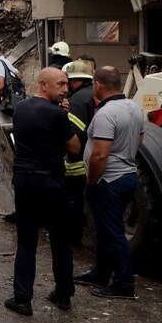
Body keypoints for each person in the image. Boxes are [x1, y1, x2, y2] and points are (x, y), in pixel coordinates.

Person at [4, 67, 80, 316]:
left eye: (66, 84)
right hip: (51, 182)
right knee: (60, 239)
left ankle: (22, 298)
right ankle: (63, 294)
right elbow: (74, 148)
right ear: (44, 85)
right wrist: (64, 119)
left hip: (25, 180)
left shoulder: (22, 108)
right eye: (60, 85)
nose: (65, 89)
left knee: (26, 241)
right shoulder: (57, 115)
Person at [75, 66, 144, 300]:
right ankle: (100, 273)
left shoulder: (106, 114)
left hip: (108, 180)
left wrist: (92, 180)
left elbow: (100, 155)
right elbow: (140, 140)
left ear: (98, 85)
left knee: (113, 232)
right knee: (105, 229)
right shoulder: (134, 107)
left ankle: (123, 284)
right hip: (126, 175)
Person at [63, 60, 96, 247]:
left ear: (74, 81)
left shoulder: (76, 100)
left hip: (77, 164)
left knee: (73, 202)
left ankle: (73, 238)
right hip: (96, 159)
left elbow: (73, 135)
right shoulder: (94, 94)